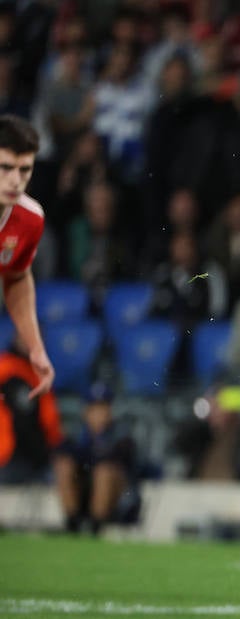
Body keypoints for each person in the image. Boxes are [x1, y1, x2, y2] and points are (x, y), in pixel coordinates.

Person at [0, 115, 52, 399]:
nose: (16, 180)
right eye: (5, 167)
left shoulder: (30, 219)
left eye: (24, 170)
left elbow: (16, 277)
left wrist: (35, 347)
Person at [53, 382, 140, 535]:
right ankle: (72, 523)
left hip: (117, 496)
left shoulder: (122, 434)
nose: (100, 413)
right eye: (95, 408)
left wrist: (92, 453)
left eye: (104, 407)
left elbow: (118, 460)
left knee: (104, 471)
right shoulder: (75, 433)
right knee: (64, 466)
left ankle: (96, 527)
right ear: (86, 411)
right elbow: (64, 454)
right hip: (84, 489)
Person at [0, 340, 63, 483]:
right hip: (9, 455)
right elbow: (21, 419)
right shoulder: (6, 368)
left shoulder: (39, 371)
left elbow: (49, 418)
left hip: (39, 454)